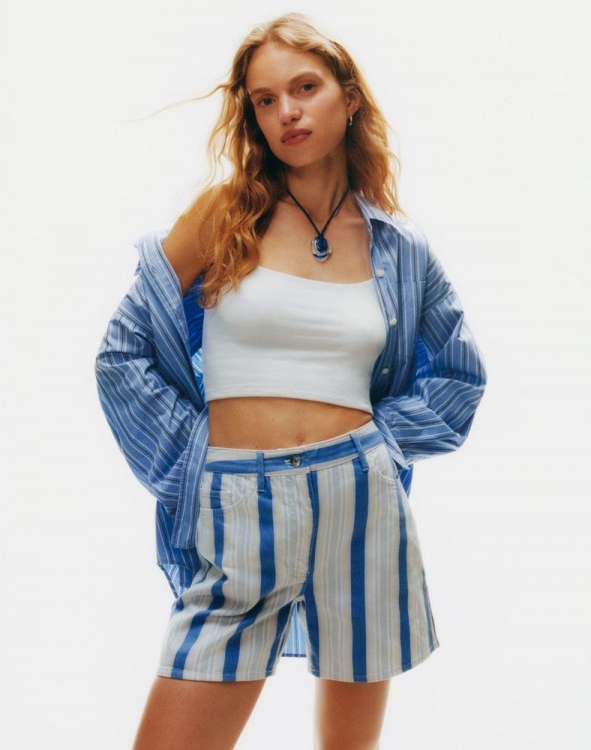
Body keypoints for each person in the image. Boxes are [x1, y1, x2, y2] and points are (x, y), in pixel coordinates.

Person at [94, 12, 487, 750]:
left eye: (305, 88)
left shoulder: (398, 249)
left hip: (360, 501)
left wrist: (380, 448)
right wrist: (197, 460)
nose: (287, 113)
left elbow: (460, 376)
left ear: (349, 98)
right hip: (239, 500)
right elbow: (122, 353)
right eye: (266, 100)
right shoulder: (224, 216)